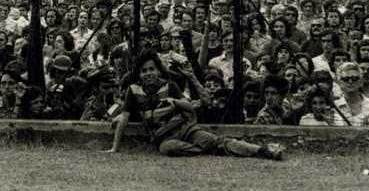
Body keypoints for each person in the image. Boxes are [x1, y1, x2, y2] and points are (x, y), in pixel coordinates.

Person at [106, 50, 283, 160]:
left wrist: (174, 102)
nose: (148, 74)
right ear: (139, 73)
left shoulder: (169, 85)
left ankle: (263, 151)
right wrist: (114, 148)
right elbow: (125, 117)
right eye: (144, 71)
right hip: (165, 139)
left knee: (220, 141)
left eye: (151, 69)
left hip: (186, 129)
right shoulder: (133, 89)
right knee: (168, 149)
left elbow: (189, 107)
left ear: (158, 69)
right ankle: (203, 150)